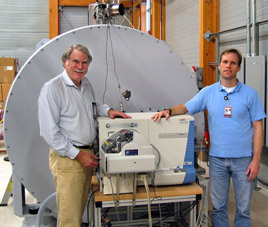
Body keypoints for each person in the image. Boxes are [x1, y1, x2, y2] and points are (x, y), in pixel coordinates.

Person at [152, 48, 265, 227]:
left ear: (239, 68)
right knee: (218, 208)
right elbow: (186, 107)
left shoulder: (250, 94)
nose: (228, 66)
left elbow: (259, 128)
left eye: (233, 63)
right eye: (225, 62)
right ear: (219, 66)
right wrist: (168, 111)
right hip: (217, 160)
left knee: (243, 210)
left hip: (244, 160)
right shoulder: (208, 92)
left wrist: (256, 160)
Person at [38, 44, 131, 227]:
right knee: (69, 218)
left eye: (84, 62)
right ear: (65, 62)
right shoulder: (53, 89)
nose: (80, 66)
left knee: (78, 212)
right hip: (69, 159)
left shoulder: (85, 84)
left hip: (86, 156)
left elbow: (92, 106)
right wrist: (79, 155)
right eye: (75, 61)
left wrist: (109, 110)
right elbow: (50, 133)